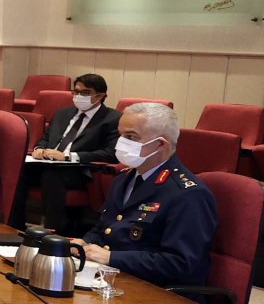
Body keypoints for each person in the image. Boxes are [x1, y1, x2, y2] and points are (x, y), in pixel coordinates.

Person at [79, 100, 218, 289]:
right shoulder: (123, 179)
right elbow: (105, 228)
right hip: (113, 279)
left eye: (131, 137)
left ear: (160, 145)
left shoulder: (188, 194)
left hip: (160, 293)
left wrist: (112, 257)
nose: (121, 143)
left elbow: (181, 264)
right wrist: (84, 243)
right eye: (120, 135)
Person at [7, 73, 121, 232]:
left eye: (85, 93)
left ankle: (52, 233)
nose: (79, 96)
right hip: (48, 162)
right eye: (76, 92)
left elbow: (111, 153)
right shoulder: (62, 113)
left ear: (100, 96)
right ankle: (13, 225)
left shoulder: (112, 118)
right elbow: (45, 138)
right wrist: (39, 149)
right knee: (18, 170)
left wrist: (68, 156)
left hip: (78, 169)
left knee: (52, 175)